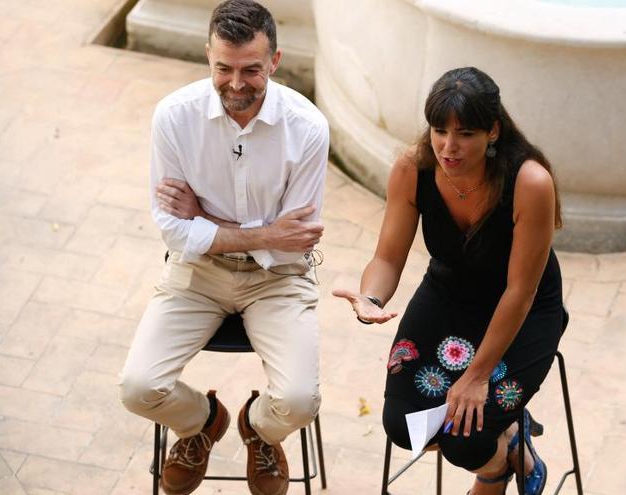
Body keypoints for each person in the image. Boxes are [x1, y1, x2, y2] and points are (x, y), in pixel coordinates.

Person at [117, 1, 329, 494]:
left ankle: (257, 427)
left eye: (252, 69)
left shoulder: (308, 127)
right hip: (197, 273)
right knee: (137, 389)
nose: (237, 83)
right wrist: (263, 232)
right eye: (223, 68)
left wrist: (207, 218)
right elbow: (173, 232)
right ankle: (202, 421)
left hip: (279, 278)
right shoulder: (173, 116)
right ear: (208, 57)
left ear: (274, 62)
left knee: (298, 402)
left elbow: (289, 243)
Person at [333, 67, 566, 495]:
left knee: (466, 439)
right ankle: (510, 444)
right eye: (439, 131)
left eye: (465, 134)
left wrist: (476, 376)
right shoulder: (413, 168)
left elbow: (521, 291)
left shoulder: (529, 182)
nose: (448, 147)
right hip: (448, 294)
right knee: (402, 425)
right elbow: (387, 256)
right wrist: (370, 297)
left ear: (493, 131)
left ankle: (493, 470)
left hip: (522, 310)